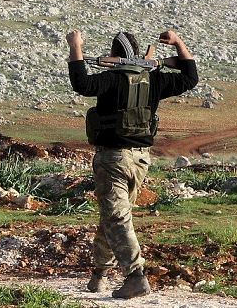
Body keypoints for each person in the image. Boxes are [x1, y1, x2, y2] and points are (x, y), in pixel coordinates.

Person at [66, 29, 197, 298]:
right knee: (113, 216)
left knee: (116, 217)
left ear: (115, 55)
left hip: (113, 158)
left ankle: (135, 276)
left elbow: (81, 84)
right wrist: (179, 46)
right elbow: (190, 78)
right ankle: (99, 275)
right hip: (140, 160)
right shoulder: (155, 80)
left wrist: (75, 46)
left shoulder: (112, 79)